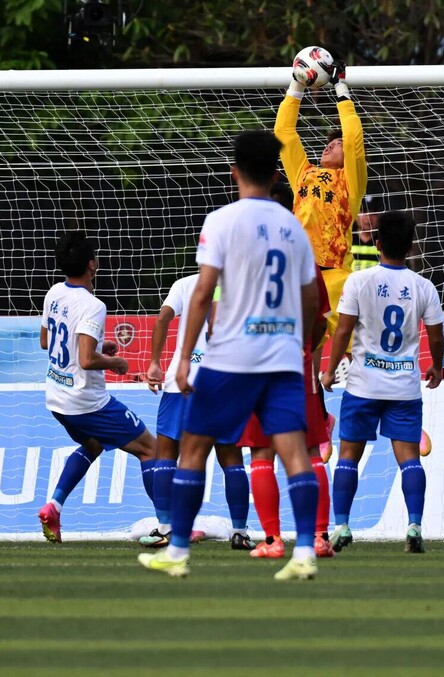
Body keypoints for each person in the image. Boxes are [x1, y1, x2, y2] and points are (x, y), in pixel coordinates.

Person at [138, 129, 320, 580]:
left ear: (234, 171)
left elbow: (203, 294)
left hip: (231, 356)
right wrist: (298, 343)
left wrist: (183, 358)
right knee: (294, 452)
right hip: (281, 357)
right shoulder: (294, 229)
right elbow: (311, 298)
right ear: (276, 174)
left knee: (193, 448)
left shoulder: (222, 221)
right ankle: (304, 552)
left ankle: (177, 551)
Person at [321, 211, 444, 554]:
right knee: (410, 460)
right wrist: (436, 367)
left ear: (377, 244)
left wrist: (329, 371)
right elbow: (436, 337)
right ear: (410, 246)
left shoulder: (359, 281)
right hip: (404, 387)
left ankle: (342, 525)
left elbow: (343, 331)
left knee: (348, 457)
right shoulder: (423, 286)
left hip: (363, 385)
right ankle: (414, 525)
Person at [37, 231, 156, 543]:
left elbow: (46, 341)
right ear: (92, 264)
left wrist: (97, 345)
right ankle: (170, 526)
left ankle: (54, 506)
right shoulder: (93, 305)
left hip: (57, 398)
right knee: (150, 449)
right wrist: (114, 362)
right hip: (86, 402)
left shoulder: (54, 292)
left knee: (93, 445)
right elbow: (87, 360)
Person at [239, 180, 334, 559]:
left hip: (255, 361)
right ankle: (319, 537)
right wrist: (305, 347)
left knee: (262, 453)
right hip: (297, 361)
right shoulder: (302, 252)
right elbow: (320, 317)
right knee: (310, 450)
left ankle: (273, 540)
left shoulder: (242, 252)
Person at [141, 272, 255, 551]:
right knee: (231, 459)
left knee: (167, 454)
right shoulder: (241, 283)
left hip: (182, 380)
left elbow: (162, 318)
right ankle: (239, 532)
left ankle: (165, 528)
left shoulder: (185, 284)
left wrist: (154, 362)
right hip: (223, 381)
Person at [274, 57, 367, 338]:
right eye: (329, 143)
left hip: (335, 276)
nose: (330, 146)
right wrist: (296, 85)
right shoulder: (304, 173)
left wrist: (341, 88)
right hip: (299, 275)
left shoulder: (350, 181)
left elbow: (354, 138)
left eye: (338, 144)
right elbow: (283, 132)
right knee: (299, 346)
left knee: (348, 349)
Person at [352, 195, 382, 272]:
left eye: (373, 212)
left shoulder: (385, 241)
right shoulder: (345, 239)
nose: (368, 217)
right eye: (364, 211)